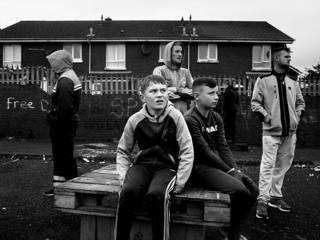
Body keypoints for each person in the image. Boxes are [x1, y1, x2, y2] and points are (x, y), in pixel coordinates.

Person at [115, 74, 194, 240]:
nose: (160, 94)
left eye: (163, 90)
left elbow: (187, 150)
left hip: (167, 166)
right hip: (142, 165)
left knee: (157, 194)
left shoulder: (176, 117)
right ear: (143, 97)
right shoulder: (135, 120)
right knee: (127, 191)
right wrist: (123, 176)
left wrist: (181, 181)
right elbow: (123, 151)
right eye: (153, 91)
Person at [184, 78, 258, 240]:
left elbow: (223, 148)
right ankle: (232, 234)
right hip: (196, 168)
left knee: (253, 190)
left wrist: (235, 169)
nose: (216, 96)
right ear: (196, 96)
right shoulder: (190, 119)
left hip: (212, 165)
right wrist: (231, 171)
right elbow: (204, 152)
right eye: (211, 93)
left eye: (216, 93)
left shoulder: (216, 117)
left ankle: (228, 228)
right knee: (240, 191)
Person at [251, 46, 305, 219]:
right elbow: (255, 103)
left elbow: (300, 103)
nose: (289, 58)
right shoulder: (263, 80)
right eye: (286, 55)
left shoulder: (293, 81)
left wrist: (296, 118)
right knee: (267, 166)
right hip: (271, 132)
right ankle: (262, 200)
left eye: (290, 55)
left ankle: (275, 196)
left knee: (283, 165)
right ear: (275, 58)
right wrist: (268, 119)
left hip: (290, 133)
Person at [44, 50, 81, 196]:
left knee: (63, 157)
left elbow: (63, 108)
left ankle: (73, 188)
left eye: (53, 63)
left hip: (62, 126)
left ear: (60, 63)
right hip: (66, 125)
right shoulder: (68, 77)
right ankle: (61, 188)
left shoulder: (65, 80)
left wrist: (53, 119)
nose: (52, 66)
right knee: (62, 156)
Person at [153, 41, 193, 114]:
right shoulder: (159, 70)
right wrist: (182, 92)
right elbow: (159, 93)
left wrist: (175, 90)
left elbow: (194, 92)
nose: (180, 54)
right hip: (165, 115)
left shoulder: (186, 72)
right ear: (169, 53)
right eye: (177, 51)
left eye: (181, 52)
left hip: (184, 115)